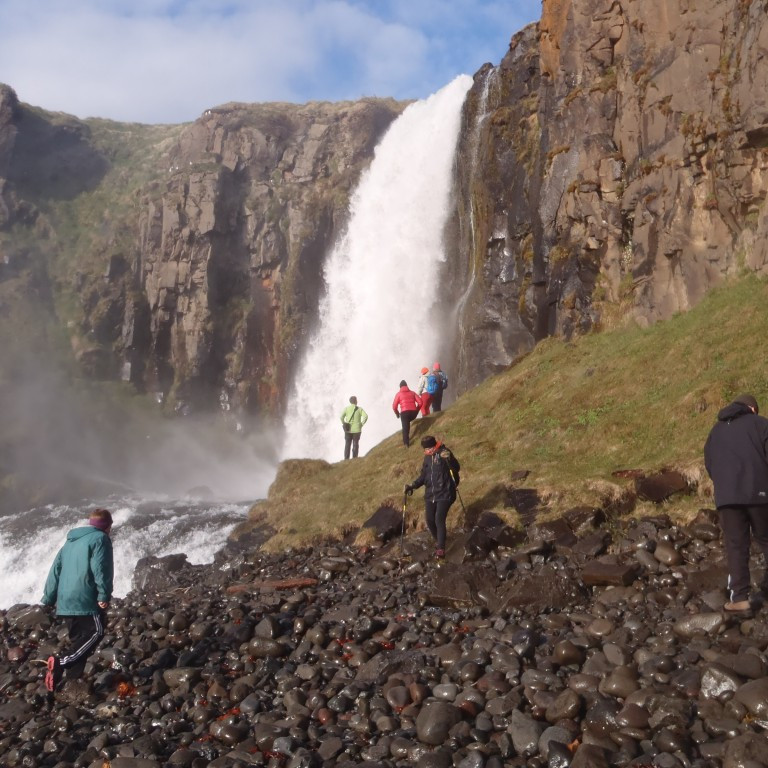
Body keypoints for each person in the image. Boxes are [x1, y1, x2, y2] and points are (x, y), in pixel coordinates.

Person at [704, 393, 768, 613]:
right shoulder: (761, 424)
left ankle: (739, 597)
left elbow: (710, 464)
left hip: (727, 497)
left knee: (736, 545)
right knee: (766, 538)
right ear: (752, 409)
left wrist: (726, 487)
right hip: (760, 493)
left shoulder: (715, 431)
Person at [41, 508, 114, 693]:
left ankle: (69, 686)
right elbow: (100, 568)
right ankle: (59, 662)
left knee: (78, 642)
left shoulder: (69, 542)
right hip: (85, 597)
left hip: (65, 600)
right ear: (108, 526)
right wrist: (103, 594)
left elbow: (55, 570)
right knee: (96, 632)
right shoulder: (100, 539)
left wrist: (49, 597)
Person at [404, 435, 461, 560]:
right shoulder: (427, 458)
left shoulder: (444, 453)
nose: (428, 451)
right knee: (429, 520)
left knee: (439, 519)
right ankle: (440, 541)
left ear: (435, 445)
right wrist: (412, 486)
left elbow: (456, 468)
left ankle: (441, 548)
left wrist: (449, 459)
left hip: (446, 492)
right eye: (426, 449)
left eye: (430, 448)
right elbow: (424, 477)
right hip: (430, 495)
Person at [392, 380, 422, 447]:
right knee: (407, 422)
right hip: (413, 413)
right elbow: (420, 402)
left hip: (405, 413)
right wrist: (416, 410)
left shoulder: (398, 394)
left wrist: (397, 414)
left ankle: (406, 443)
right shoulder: (412, 393)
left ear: (400, 387)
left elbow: (394, 407)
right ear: (407, 386)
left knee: (405, 428)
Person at [340, 395, 368, 460]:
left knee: (347, 444)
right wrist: (361, 424)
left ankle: (346, 459)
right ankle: (354, 458)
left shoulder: (346, 409)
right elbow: (365, 416)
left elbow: (341, 417)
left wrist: (344, 423)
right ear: (355, 401)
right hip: (357, 429)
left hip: (348, 429)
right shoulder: (359, 409)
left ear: (350, 402)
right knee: (355, 444)